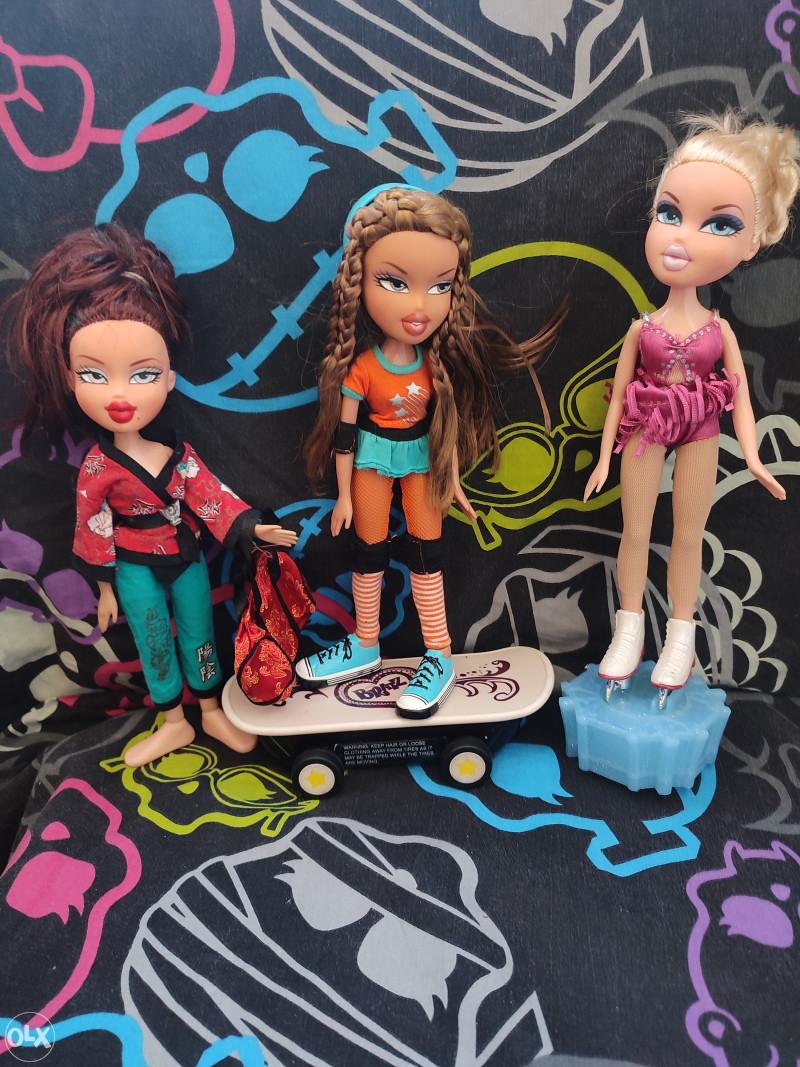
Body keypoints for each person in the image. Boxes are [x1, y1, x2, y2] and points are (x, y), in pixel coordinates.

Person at [4, 224, 298, 766]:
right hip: (133, 564)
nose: (119, 395)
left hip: (184, 556)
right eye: (95, 375)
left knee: (199, 631)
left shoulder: (177, 455)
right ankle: (173, 721)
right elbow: (91, 523)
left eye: (142, 374)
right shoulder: (98, 469)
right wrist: (104, 583)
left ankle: (210, 709)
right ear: (70, 378)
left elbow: (208, 494)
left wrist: (249, 527)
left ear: (168, 380)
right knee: (153, 638)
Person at [300, 186, 562, 717]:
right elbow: (345, 437)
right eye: (395, 283)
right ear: (359, 282)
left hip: (422, 462)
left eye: (439, 285)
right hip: (371, 461)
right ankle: (366, 642)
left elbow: (444, 433)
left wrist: (455, 482)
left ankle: (438, 654)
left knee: (426, 558)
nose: (419, 307)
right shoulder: (363, 368)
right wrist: (344, 496)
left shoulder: (434, 369)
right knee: (368, 554)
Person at [584, 112, 800, 702]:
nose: (681, 238)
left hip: (703, 429)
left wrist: (753, 458)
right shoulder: (642, 328)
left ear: (752, 244)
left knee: (688, 533)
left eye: (720, 224)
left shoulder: (718, 330)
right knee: (634, 530)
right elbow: (618, 396)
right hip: (645, 427)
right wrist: (603, 457)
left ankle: (681, 635)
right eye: (669, 213)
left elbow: (741, 398)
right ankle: (628, 629)